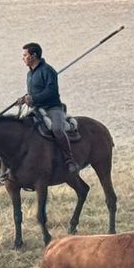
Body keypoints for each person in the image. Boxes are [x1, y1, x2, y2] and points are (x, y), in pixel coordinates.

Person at [21, 42, 77, 175]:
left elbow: (51, 92)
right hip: (37, 109)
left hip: (52, 108)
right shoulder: (30, 74)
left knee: (57, 129)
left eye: (25, 55)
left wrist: (33, 98)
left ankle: (70, 160)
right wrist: (25, 99)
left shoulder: (48, 71)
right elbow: (33, 93)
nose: (22, 58)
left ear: (33, 56)